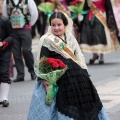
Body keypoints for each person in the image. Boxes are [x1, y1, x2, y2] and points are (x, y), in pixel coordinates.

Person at [27, 12, 109, 120]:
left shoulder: (71, 38)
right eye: (53, 25)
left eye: (59, 25)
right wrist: (45, 80)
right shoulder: (47, 39)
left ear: (65, 25)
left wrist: (84, 73)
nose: (56, 28)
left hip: (77, 77)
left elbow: (78, 56)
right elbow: (43, 60)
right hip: (58, 77)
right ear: (50, 25)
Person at [2, 0, 38, 82]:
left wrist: (29, 24)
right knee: (16, 52)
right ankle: (20, 74)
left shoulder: (28, 0)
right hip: (13, 30)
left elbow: (34, 13)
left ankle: (32, 71)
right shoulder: (6, 2)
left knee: (27, 50)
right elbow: (5, 15)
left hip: (25, 28)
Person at [79, 0, 120, 64]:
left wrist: (110, 21)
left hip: (101, 17)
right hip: (89, 17)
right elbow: (85, 8)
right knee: (91, 35)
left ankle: (101, 56)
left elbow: (109, 9)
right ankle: (94, 55)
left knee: (101, 36)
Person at [0, 7, 14, 107]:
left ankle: (4, 98)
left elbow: (11, 36)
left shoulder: (4, 20)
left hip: (4, 50)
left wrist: (3, 43)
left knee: (4, 72)